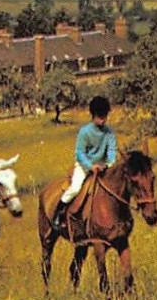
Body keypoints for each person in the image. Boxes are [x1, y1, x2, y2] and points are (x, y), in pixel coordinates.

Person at [50, 95, 117, 235]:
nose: (103, 119)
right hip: (84, 166)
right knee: (75, 188)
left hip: (103, 167)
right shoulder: (85, 131)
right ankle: (59, 215)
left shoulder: (109, 132)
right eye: (100, 116)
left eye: (105, 115)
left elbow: (111, 151)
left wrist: (108, 164)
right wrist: (90, 166)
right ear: (93, 115)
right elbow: (80, 153)